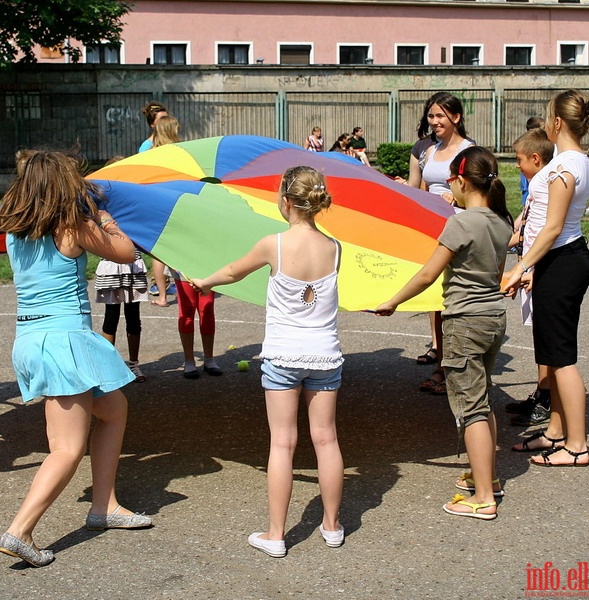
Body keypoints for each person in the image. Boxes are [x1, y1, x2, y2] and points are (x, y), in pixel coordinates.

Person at [0, 150, 152, 568]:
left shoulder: (15, 229)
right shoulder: (72, 227)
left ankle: (105, 505)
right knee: (66, 447)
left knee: (114, 408)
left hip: (32, 338)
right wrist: (103, 216)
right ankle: (21, 530)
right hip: (62, 341)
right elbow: (125, 252)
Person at [191, 165, 345, 556]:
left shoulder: (272, 245)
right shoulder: (334, 247)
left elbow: (231, 271)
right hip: (325, 355)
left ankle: (276, 535)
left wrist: (204, 281)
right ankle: (331, 526)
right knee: (326, 440)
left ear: (285, 200)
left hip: (283, 355)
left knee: (282, 443)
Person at [377, 146, 513, 520]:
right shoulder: (503, 222)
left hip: (464, 323)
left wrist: (392, 301)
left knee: (470, 409)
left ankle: (483, 497)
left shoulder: (461, 223)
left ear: (459, 180)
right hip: (493, 318)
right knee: (482, 399)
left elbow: (427, 274)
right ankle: (489, 477)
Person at [502, 89, 589, 468]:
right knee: (552, 352)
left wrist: (521, 266)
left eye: (547, 116)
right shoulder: (578, 161)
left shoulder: (563, 168)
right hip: (560, 261)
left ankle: (576, 445)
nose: (544, 122)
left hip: (561, 261)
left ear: (557, 122)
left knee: (562, 357)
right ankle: (556, 431)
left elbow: (552, 227)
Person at [153, 116, 223, 379]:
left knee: (207, 307)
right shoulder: (176, 205)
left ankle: (210, 358)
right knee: (187, 309)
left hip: (207, 259)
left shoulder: (208, 203)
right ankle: (188, 360)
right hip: (183, 258)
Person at [417, 92, 474, 394]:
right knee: (437, 300)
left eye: (440, 116)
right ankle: (442, 363)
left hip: (459, 228)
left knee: (455, 299)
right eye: (431, 116)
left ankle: (456, 368)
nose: (435, 121)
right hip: (432, 228)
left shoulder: (469, 151)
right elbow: (423, 188)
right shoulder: (430, 151)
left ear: (456, 117)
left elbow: (480, 194)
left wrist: (457, 197)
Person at [505, 128, 555, 427]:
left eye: (519, 159)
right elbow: (525, 229)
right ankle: (542, 391)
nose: (517, 165)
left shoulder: (546, 185)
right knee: (539, 335)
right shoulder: (538, 182)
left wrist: (532, 269)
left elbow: (549, 233)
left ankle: (547, 398)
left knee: (547, 338)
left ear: (535, 159)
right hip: (532, 265)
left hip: (539, 267)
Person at [94, 157, 149, 383]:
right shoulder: (101, 203)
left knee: (133, 317)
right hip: (111, 266)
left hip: (133, 264)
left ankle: (133, 364)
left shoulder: (134, 200)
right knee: (111, 316)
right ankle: (109, 367)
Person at [139, 104, 174, 305]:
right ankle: (161, 290)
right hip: (156, 198)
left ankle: (172, 283)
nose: (165, 122)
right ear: (153, 124)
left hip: (170, 197)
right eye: (161, 119)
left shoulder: (173, 146)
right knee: (159, 248)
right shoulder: (147, 147)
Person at [519, 117, 546, 206]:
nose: (545, 130)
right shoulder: (528, 145)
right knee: (528, 199)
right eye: (543, 128)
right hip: (529, 178)